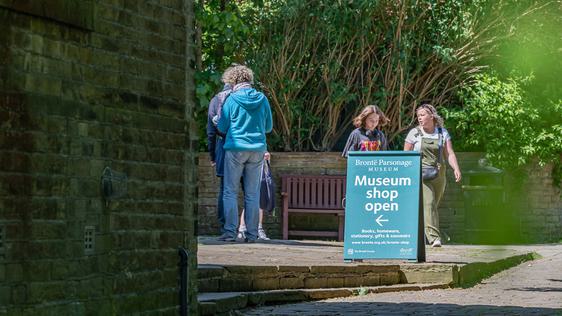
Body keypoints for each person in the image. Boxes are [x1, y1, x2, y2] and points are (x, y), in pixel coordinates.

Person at [217, 65, 273, 242]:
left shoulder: (231, 99)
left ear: (233, 80)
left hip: (235, 148)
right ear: (249, 80)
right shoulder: (262, 99)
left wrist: (217, 120)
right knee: (252, 193)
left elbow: (222, 127)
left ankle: (229, 233)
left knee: (230, 191)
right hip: (257, 149)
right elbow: (269, 127)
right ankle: (252, 234)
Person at [403, 104, 461, 247]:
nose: (420, 118)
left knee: (433, 205)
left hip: (439, 173)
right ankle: (435, 238)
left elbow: (450, 153)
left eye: (422, 115)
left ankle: (421, 234)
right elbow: (406, 156)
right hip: (421, 173)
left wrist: (456, 168)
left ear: (432, 116)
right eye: (418, 116)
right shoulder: (414, 133)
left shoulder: (442, 132)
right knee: (428, 204)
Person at [206, 79, 233, 234]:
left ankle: (225, 228)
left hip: (223, 146)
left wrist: (212, 156)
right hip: (245, 144)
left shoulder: (216, 100)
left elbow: (210, 132)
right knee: (249, 189)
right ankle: (247, 228)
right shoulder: (241, 98)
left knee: (225, 189)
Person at [238, 152, 272, 241]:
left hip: (261, 177)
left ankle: (258, 228)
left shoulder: (260, 142)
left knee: (259, 203)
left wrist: (267, 157)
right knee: (250, 202)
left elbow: (265, 158)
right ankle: (242, 229)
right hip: (249, 176)